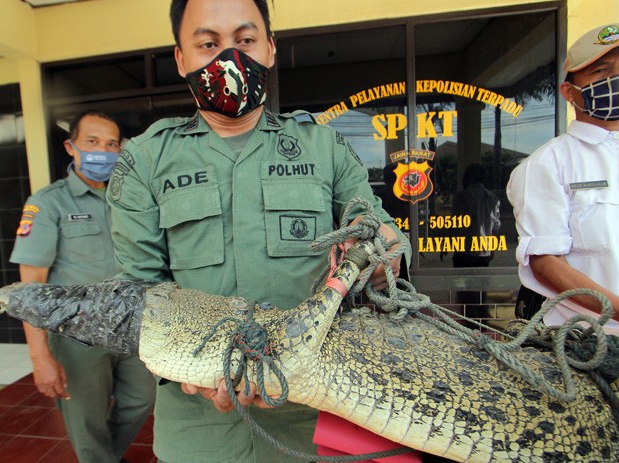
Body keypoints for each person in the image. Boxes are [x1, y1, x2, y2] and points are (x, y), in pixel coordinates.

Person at [105, 1, 410, 461]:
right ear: (181, 59)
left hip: (315, 409)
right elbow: (140, 293)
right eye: (208, 44)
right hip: (198, 420)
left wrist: (382, 258)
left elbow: (378, 233)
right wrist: (198, 370)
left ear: (269, 49)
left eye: (245, 40)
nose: (229, 57)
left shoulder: (323, 146)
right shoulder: (144, 160)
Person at [506, 23, 619, 335]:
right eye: (601, 70)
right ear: (570, 91)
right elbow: (546, 264)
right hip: (592, 345)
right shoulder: (548, 164)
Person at [9, 110, 156, 462]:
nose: (102, 152)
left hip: (131, 328)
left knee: (143, 398)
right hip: (78, 335)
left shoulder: (129, 199)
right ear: (70, 147)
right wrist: (39, 356)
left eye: (111, 144)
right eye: (92, 142)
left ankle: (104, 456)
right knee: (85, 419)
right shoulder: (47, 203)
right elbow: (31, 290)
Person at [451, 163, 500, 268]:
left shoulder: (461, 197)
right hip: (484, 251)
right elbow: (495, 228)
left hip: (463, 251)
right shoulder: (492, 199)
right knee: (481, 283)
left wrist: (449, 245)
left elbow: (454, 224)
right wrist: (492, 249)